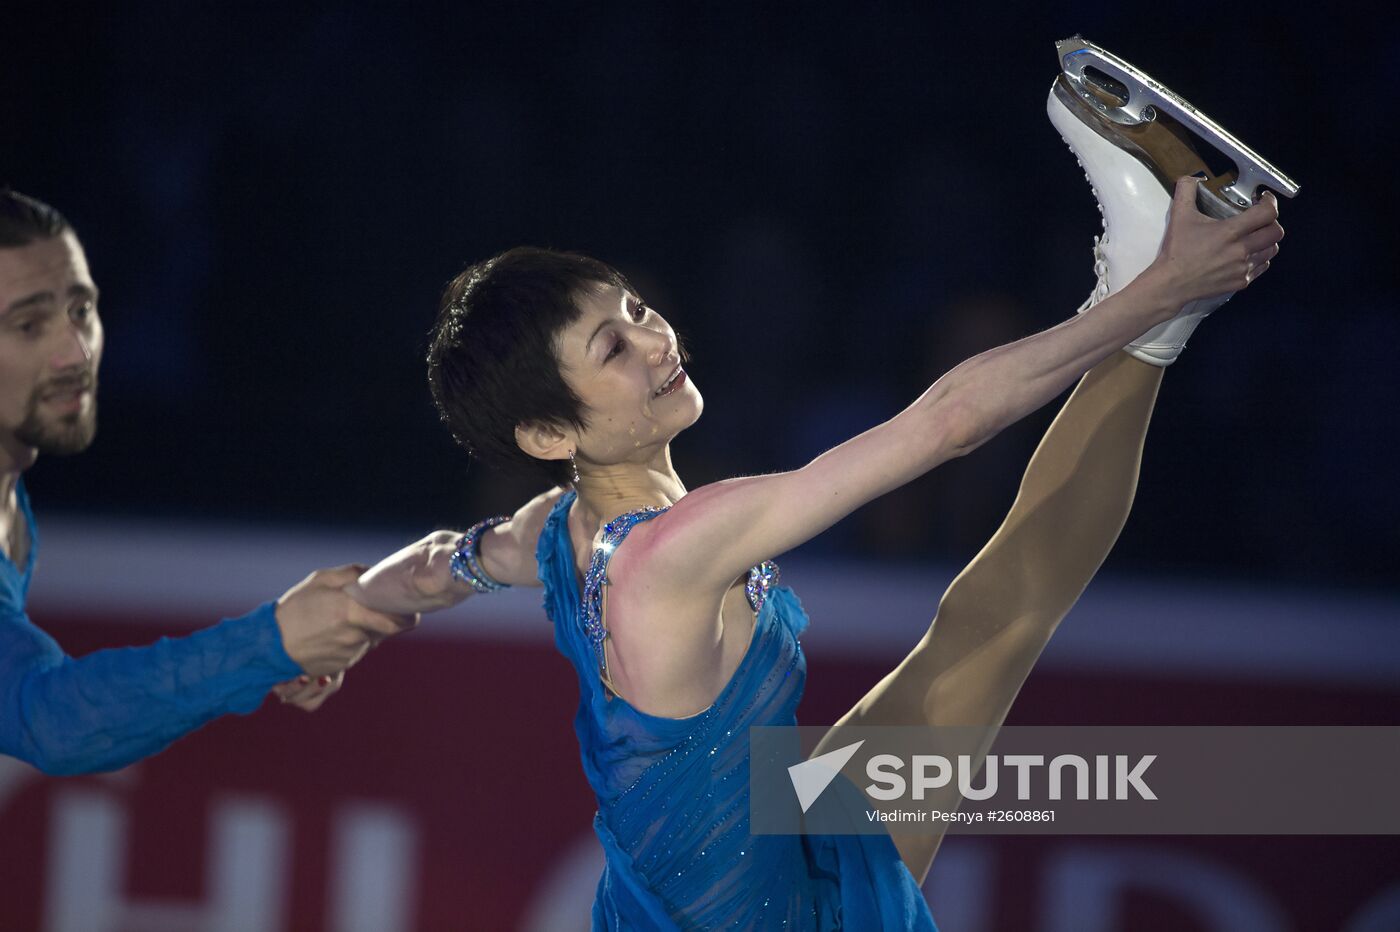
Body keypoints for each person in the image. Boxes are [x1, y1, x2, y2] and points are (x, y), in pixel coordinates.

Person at [352, 172, 1282, 927]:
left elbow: (451, 559)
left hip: (755, 856)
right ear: (551, 434)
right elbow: (949, 425)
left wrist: (364, 605)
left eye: (637, 309)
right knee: (993, 623)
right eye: (612, 347)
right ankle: (1153, 296)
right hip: (767, 910)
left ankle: (1148, 305)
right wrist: (1178, 277)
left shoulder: (554, 531)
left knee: (988, 620)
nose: (655, 341)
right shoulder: (676, 549)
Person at [0, 189, 415, 776]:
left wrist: (264, 657)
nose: (75, 351)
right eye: (28, 324)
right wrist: (270, 644)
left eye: (81, 310)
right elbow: (51, 719)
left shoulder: (10, 495)